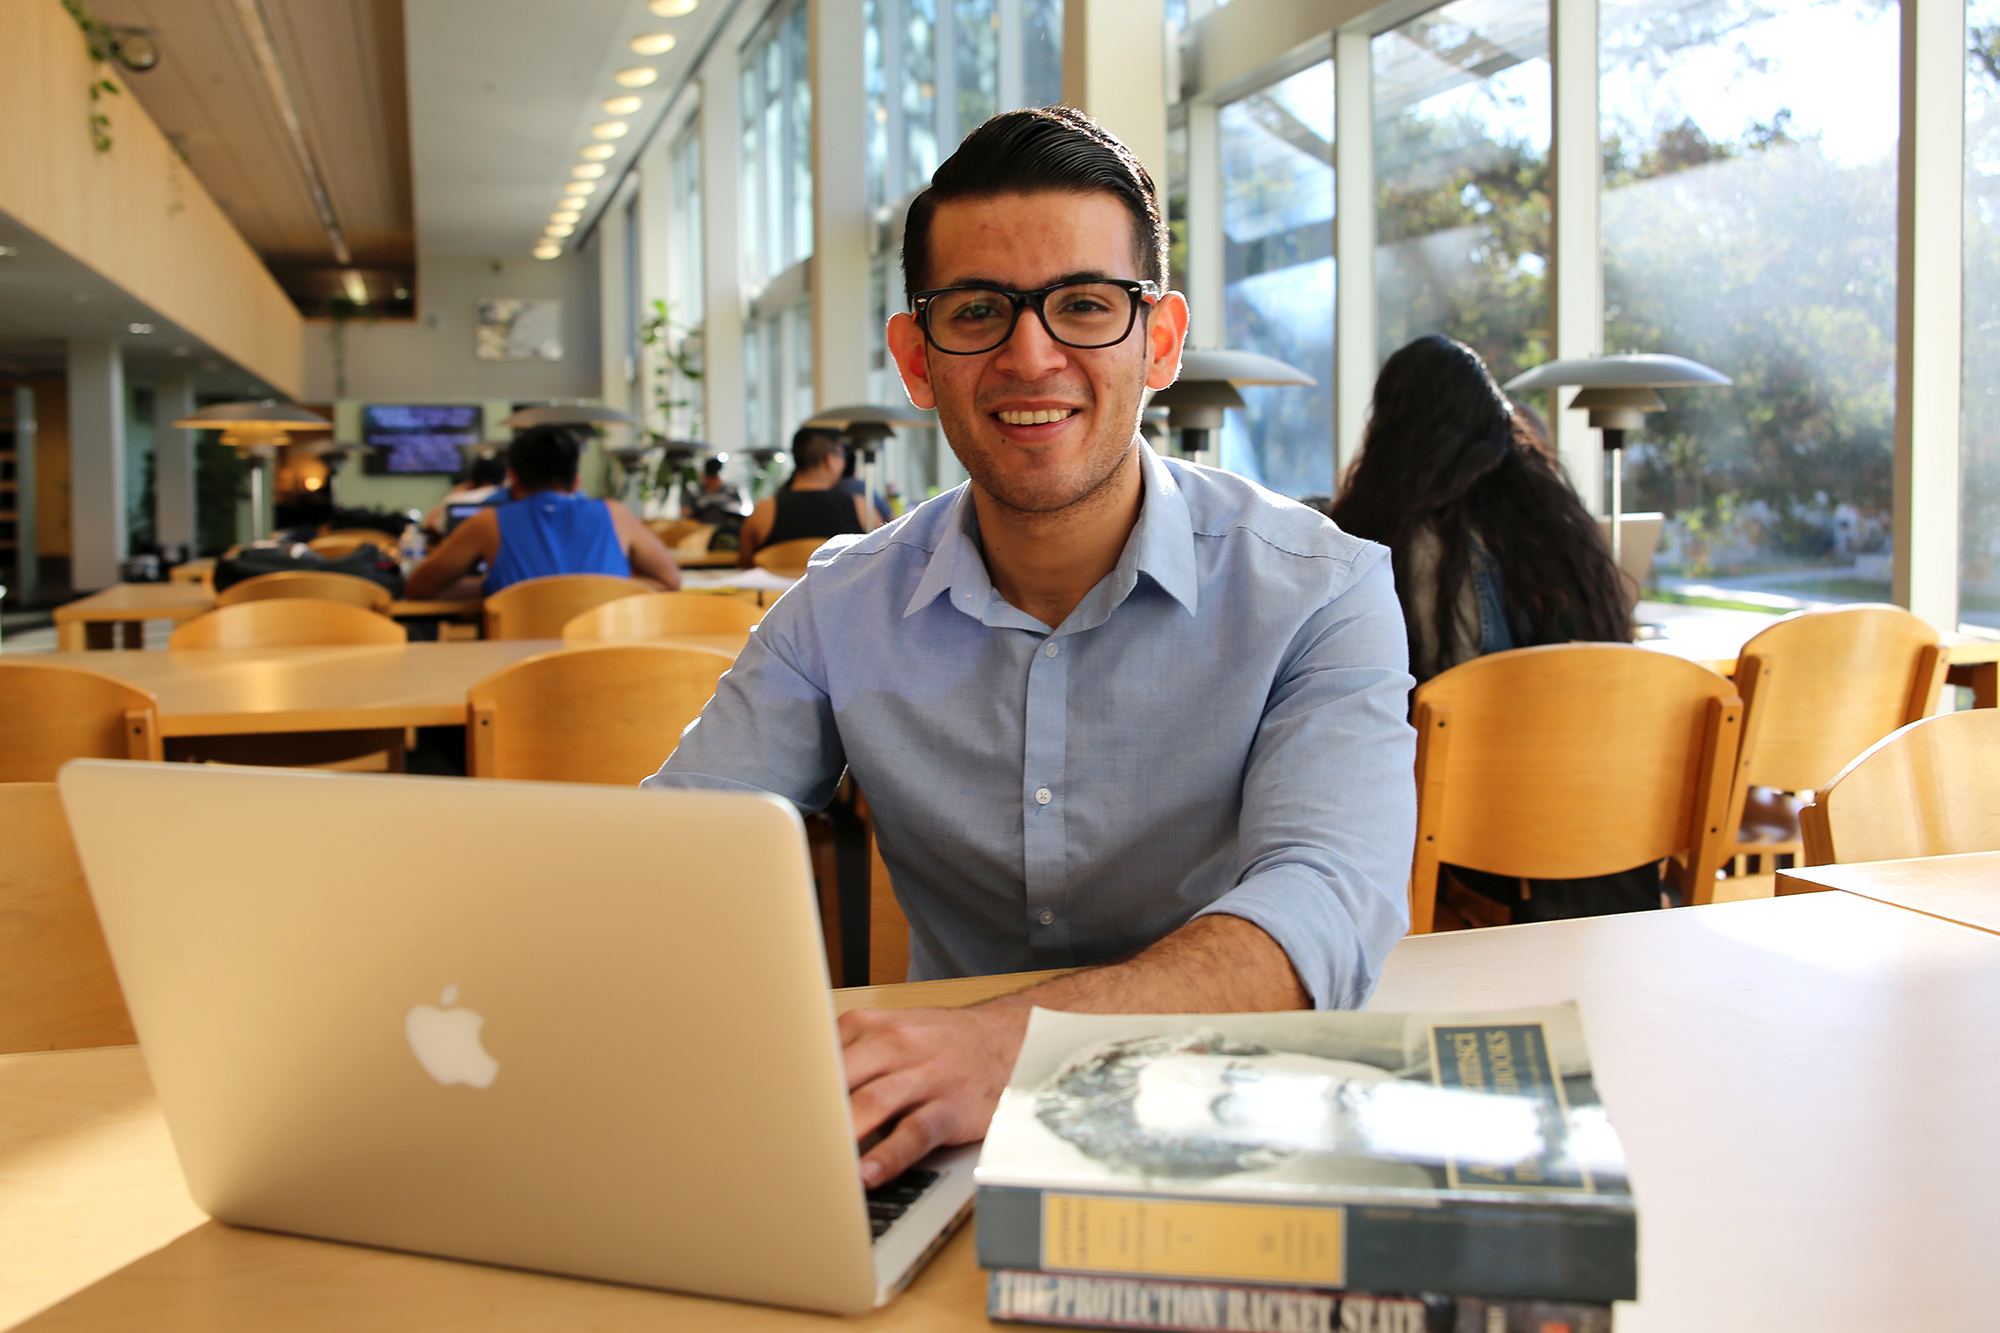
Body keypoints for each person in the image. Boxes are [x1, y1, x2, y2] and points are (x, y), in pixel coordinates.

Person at [643, 106, 1415, 1189]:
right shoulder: (839, 609)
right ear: (917, 359)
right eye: (976, 312)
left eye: (1085, 306)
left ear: (1159, 339)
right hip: (936, 1137)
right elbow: (666, 863)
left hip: (1227, 1111)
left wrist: (1004, 1046)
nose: (1030, 355)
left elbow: (1325, 903)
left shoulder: (1319, 591)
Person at [1329, 335, 1643, 926]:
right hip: (1606, 832)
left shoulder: (1389, 545)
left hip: (1471, 843)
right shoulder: (1560, 531)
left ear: (1391, 429)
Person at [1331, 336, 1629, 684]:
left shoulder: (1395, 544)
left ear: (1388, 430)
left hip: (1455, 735)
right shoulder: (1553, 522)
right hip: (1577, 734)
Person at [405, 425, 681, 598]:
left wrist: (502, 592)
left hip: (519, 676)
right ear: (576, 481)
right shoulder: (616, 514)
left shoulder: (488, 524)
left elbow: (418, 588)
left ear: (512, 477)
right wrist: (611, 590)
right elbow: (670, 581)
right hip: (612, 669)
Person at [735, 428, 877, 568]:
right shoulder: (861, 508)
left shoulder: (763, 511)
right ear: (830, 459)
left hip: (779, 592)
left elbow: (744, 568)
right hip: (842, 591)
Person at [423, 454, 508, 533]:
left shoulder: (456, 500)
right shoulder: (513, 500)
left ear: (471, 483)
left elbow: (430, 525)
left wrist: (454, 493)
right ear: (502, 482)